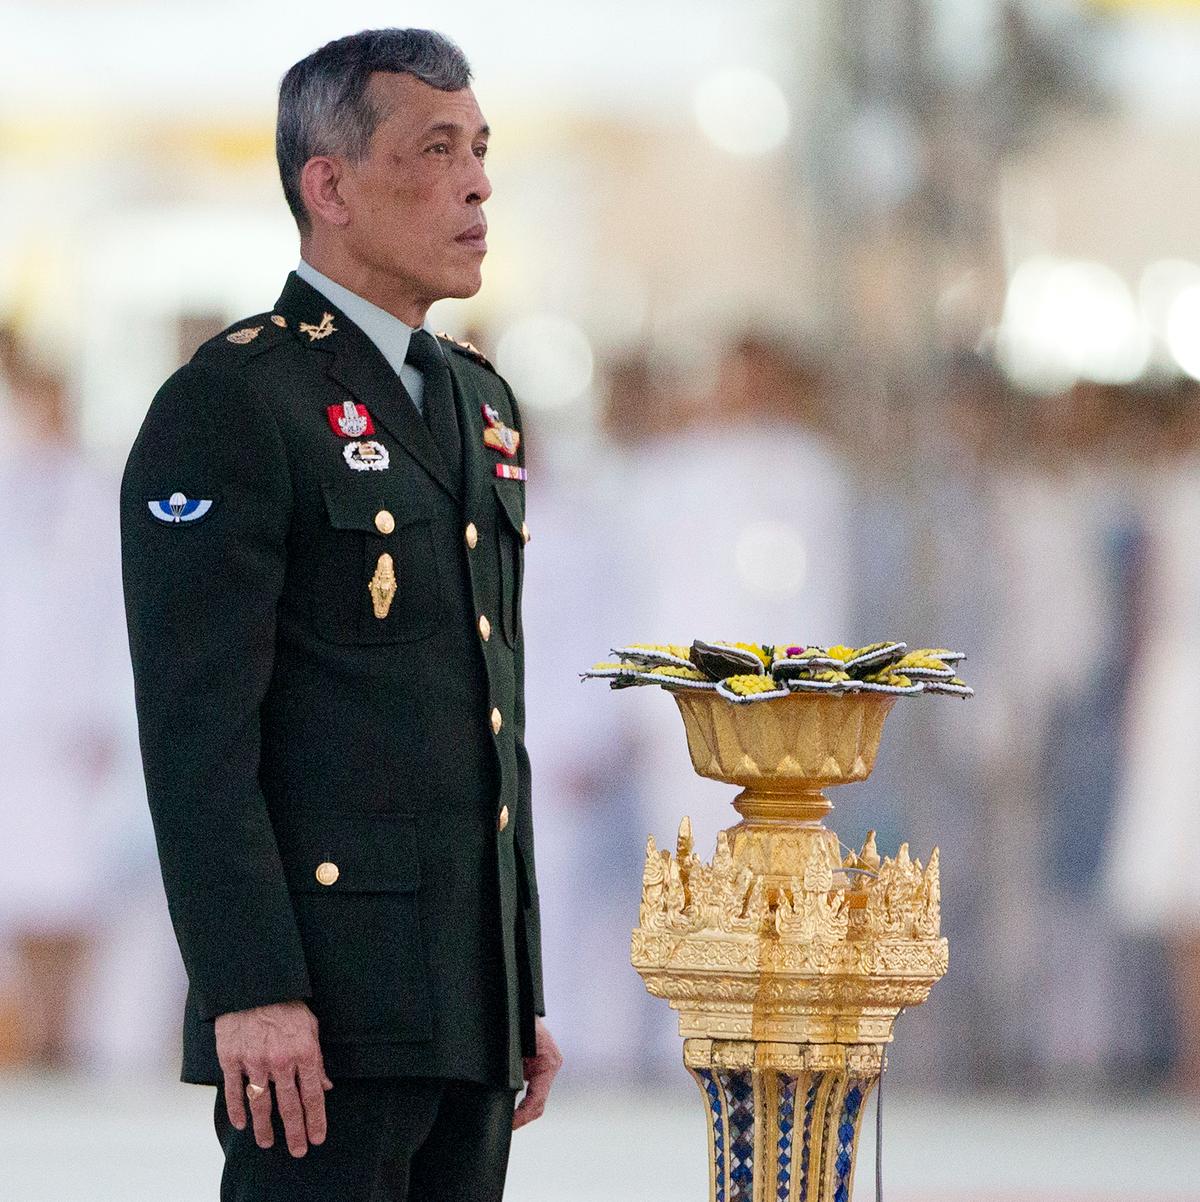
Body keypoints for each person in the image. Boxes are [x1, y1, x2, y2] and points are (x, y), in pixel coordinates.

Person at [119, 28, 561, 1200]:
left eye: (480, 149)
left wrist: (515, 982)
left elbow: (482, 713)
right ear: (330, 185)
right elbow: (196, 734)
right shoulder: (235, 401)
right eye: (435, 149)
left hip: (461, 1002)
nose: (476, 182)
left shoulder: (477, 399)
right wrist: (248, 983)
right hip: (319, 1013)